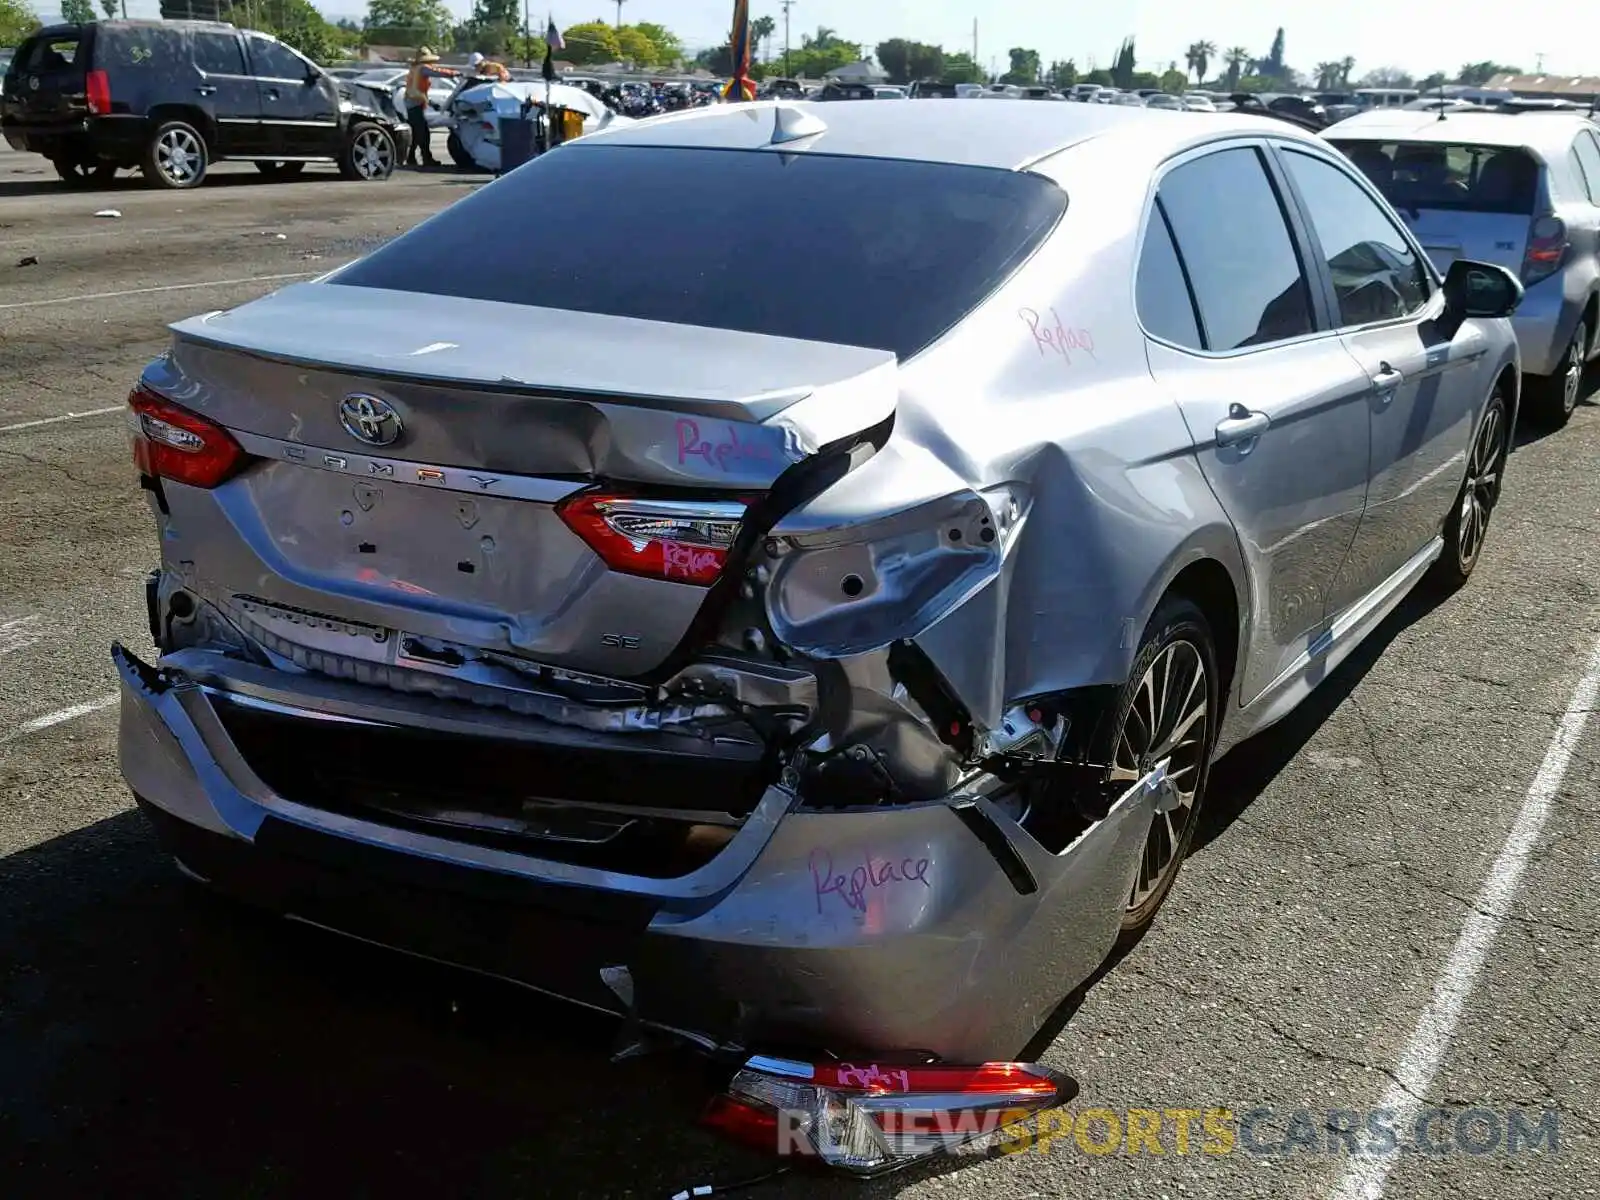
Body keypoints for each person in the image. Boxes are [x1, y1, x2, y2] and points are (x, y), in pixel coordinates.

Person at [403, 48, 460, 168]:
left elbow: (419, 89)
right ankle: (426, 158)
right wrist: (454, 73)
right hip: (414, 102)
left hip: (411, 101)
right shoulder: (423, 68)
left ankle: (411, 157)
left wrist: (431, 103)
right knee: (423, 132)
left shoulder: (414, 69)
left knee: (416, 131)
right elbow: (437, 72)